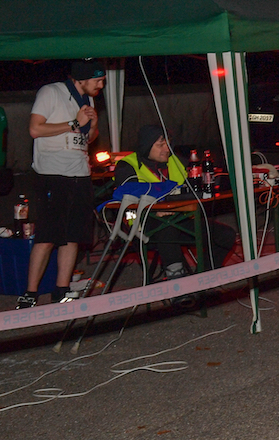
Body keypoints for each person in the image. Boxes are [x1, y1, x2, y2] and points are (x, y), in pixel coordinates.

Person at [16, 60, 105, 309]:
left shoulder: (87, 100)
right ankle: (30, 293)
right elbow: (35, 129)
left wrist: (93, 125)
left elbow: (86, 138)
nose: (101, 85)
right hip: (51, 173)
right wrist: (74, 123)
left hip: (79, 172)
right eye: (97, 80)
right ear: (81, 79)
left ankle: (62, 290)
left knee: (73, 235)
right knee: (47, 235)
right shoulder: (51, 92)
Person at [113, 125, 237, 279]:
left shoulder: (176, 161)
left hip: (180, 219)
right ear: (146, 146)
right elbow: (126, 206)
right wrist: (152, 210)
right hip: (143, 226)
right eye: (160, 145)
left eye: (168, 143)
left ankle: (202, 281)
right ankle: (176, 279)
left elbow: (196, 183)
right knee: (166, 224)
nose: (166, 149)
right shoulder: (127, 166)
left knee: (225, 235)